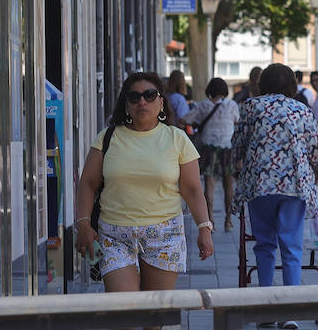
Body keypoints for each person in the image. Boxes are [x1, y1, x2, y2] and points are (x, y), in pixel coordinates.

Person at [72, 72, 213, 316]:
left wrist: (204, 228)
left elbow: (192, 189)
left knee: (154, 316)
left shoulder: (176, 139)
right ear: (126, 104)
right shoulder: (107, 137)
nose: (142, 102)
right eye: (134, 97)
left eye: (149, 95)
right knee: (122, 313)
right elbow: (88, 183)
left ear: (161, 102)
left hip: (164, 235)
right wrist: (83, 224)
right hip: (115, 236)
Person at [232, 62, 318, 312]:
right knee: (291, 245)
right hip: (293, 185)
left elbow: (238, 144)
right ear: (291, 85)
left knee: (264, 244)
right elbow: (316, 149)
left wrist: (237, 169)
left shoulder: (250, 107)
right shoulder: (301, 110)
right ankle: (290, 309)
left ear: (263, 84)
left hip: (259, 184)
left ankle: (265, 304)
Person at [183, 76, 241, 231]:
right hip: (227, 147)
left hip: (209, 147)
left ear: (209, 90)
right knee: (228, 185)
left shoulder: (203, 106)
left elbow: (185, 119)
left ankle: (211, 222)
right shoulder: (232, 105)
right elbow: (237, 122)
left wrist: (197, 124)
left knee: (209, 185)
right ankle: (228, 221)